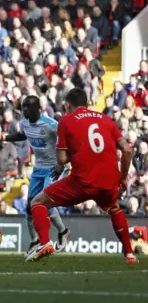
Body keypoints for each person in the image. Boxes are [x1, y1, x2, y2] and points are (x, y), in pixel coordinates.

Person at [26, 88, 138, 264]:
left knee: (37, 202)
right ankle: (130, 255)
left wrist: (73, 153)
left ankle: (45, 242)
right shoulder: (106, 120)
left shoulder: (66, 121)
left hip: (82, 181)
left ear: (68, 105)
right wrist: (123, 176)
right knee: (114, 209)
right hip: (108, 180)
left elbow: (62, 159)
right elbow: (127, 149)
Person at [0, 95, 70, 258]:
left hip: (54, 168)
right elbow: (23, 135)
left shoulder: (51, 124)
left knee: (43, 202)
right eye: (24, 108)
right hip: (38, 169)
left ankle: (62, 233)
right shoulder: (24, 122)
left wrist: (62, 163)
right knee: (30, 208)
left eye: (28, 108)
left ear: (38, 109)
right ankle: (35, 241)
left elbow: (68, 140)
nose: (25, 111)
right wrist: (1, 138)